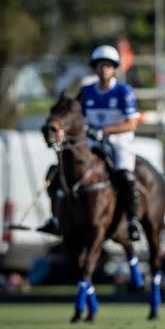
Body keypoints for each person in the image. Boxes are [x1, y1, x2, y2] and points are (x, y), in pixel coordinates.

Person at [39, 45, 143, 241]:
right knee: (57, 171)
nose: (104, 69)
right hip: (91, 142)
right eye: (100, 65)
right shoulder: (86, 92)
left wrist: (105, 131)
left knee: (126, 176)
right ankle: (55, 218)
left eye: (108, 66)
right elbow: (75, 119)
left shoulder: (123, 91)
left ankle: (132, 220)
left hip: (118, 142)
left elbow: (132, 123)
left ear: (114, 69)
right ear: (95, 68)